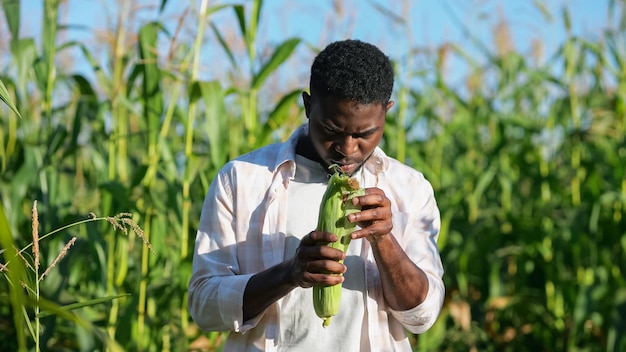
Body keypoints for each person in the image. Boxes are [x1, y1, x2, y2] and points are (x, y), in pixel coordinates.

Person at [188, 39, 445, 351]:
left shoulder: (409, 189)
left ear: (386, 112)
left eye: (364, 134)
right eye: (332, 130)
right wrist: (290, 273)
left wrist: (384, 240)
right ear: (308, 106)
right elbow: (203, 306)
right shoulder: (242, 179)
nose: (347, 149)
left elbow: (422, 317)